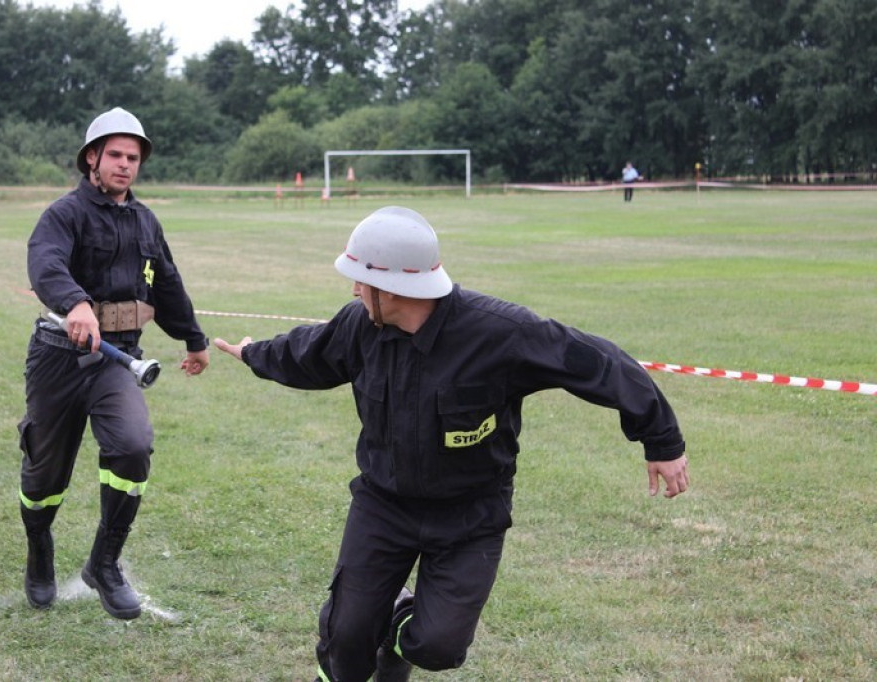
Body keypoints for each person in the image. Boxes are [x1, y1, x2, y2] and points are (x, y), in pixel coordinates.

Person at [214, 206, 689, 681]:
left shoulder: (499, 333)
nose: (355, 290)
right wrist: (253, 353)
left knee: (438, 646)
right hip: (384, 504)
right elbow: (309, 354)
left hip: (471, 515)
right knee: (346, 636)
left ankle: (396, 630)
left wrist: (661, 440)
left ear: (395, 285)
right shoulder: (360, 325)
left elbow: (600, 363)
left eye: (361, 280)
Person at [17, 107, 210, 619]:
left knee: (132, 447)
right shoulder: (65, 214)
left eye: (133, 157)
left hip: (116, 360)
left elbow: (166, 283)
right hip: (58, 360)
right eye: (116, 155)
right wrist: (75, 302)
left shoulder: (145, 221)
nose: (125, 165)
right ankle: (40, 547)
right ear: (92, 159)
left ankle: (105, 562)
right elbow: (45, 261)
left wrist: (193, 338)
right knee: (43, 479)